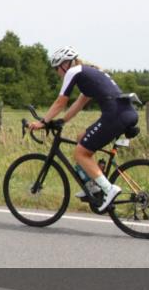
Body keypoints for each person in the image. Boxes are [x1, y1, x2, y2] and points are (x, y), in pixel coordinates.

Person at [27, 46, 138, 212]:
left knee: (80, 153)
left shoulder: (74, 72)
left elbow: (61, 102)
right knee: (81, 138)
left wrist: (43, 122)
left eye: (57, 68)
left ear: (65, 64)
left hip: (115, 116)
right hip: (126, 112)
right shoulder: (88, 72)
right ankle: (94, 185)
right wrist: (62, 121)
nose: (57, 72)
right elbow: (79, 103)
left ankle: (109, 189)